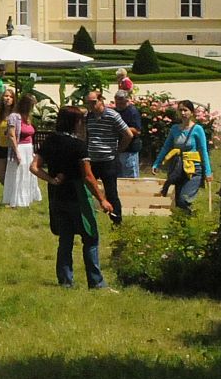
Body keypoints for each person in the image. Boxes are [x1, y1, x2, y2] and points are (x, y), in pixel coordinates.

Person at [31, 107, 115, 288]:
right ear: (75, 122)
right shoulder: (78, 145)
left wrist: (51, 180)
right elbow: (88, 177)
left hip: (58, 195)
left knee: (65, 240)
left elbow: (34, 167)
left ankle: (65, 281)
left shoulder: (50, 141)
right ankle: (96, 282)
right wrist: (102, 199)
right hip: (78, 196)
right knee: (91, 238)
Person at [83, 92, 134, 225]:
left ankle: (117, 221)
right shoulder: (88, 116)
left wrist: (118, 150)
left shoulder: (112, 115)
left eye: (93, 102)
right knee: (87, 190)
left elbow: (128, 134)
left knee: (111, 193)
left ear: (101, 101)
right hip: (92, 160)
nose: (91, 106)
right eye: (88, 103)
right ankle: (89, 219)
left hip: (108, 160)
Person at [153, 102, 212, 212]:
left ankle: (192, 221)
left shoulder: (197, 129)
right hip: (178, 168)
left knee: (184, 199)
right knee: (178, 203)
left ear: (192, 112)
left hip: (194, 169)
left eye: (185, 110)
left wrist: (208, 172)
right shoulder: (175, 129)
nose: (183, 113)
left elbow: (204, 151)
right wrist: (157, 163)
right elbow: (166, 147)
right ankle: (182, 225)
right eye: (180, 110)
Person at [1, 93, 42, 209]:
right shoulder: (14, 116)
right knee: (18, 174)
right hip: (19, 147)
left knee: (28, 173)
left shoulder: (28, 118)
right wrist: (17, 152)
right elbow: (11, 135)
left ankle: (27, 197)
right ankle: (15, 199)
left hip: (29, 148)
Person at [113, 89, 143, 182]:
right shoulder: (114, 112)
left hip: (130, 150)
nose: (118, 104)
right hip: (118, 149)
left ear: (126, 100)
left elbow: (137, 131)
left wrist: (122, 128)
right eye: (117, 101)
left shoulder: (132, 111)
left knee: (130, 177)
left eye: (121, 101)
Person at [0, 92, 14, 184]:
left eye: (10, 96)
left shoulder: (16, 114)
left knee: (12, 175)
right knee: (0, 176)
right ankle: (8, 191)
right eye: (6, 96)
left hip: (12, 147)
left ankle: (11, 195)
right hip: (1, 147)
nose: (8, 98)